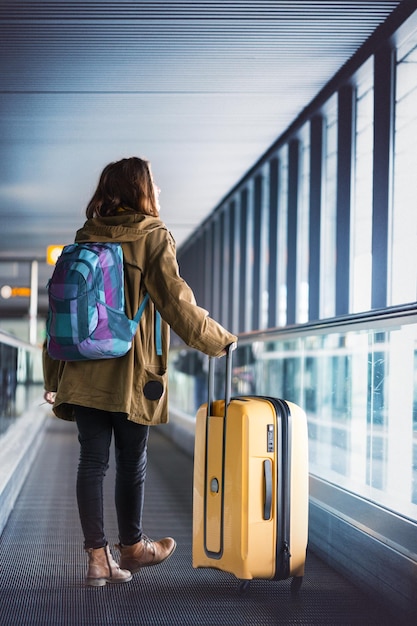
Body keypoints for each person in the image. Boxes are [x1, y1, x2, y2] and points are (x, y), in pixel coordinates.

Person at [42, 157, 237, 587]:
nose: (160, 192)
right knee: (132, 462)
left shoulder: (84, 237)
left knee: (92, 462)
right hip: (131, 375)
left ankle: (98, 558)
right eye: (155, 184)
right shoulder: (153, 236)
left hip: (80, 371)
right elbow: (175, 301)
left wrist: (53, 376)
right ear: (142, 189)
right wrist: (218, 340)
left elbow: (60, 311)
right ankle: (131, 546)